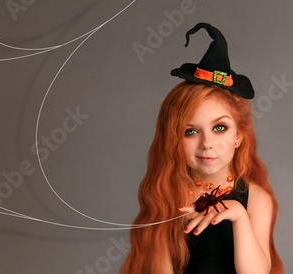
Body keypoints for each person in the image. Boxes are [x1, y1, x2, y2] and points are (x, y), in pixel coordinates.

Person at [120, 23, 284, 273]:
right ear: (173, 140)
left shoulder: (256, 199)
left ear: (238, 135)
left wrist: (239, 216)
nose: (207, 143)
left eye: (220, 128)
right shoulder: (168, 195)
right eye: (190, 132)